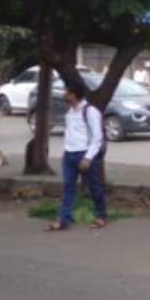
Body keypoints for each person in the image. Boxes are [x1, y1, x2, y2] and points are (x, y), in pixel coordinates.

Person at [46, 83, 108, 231]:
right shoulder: (70, 112)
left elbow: (97, 137)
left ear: (74, 95)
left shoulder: (90, 111)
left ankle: (101, 215)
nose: (64, 95)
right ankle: (63, 219)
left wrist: (88, 157)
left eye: (67, 92)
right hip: (69, 153)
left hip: (84, 153)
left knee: (94, 187)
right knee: (68, 187)